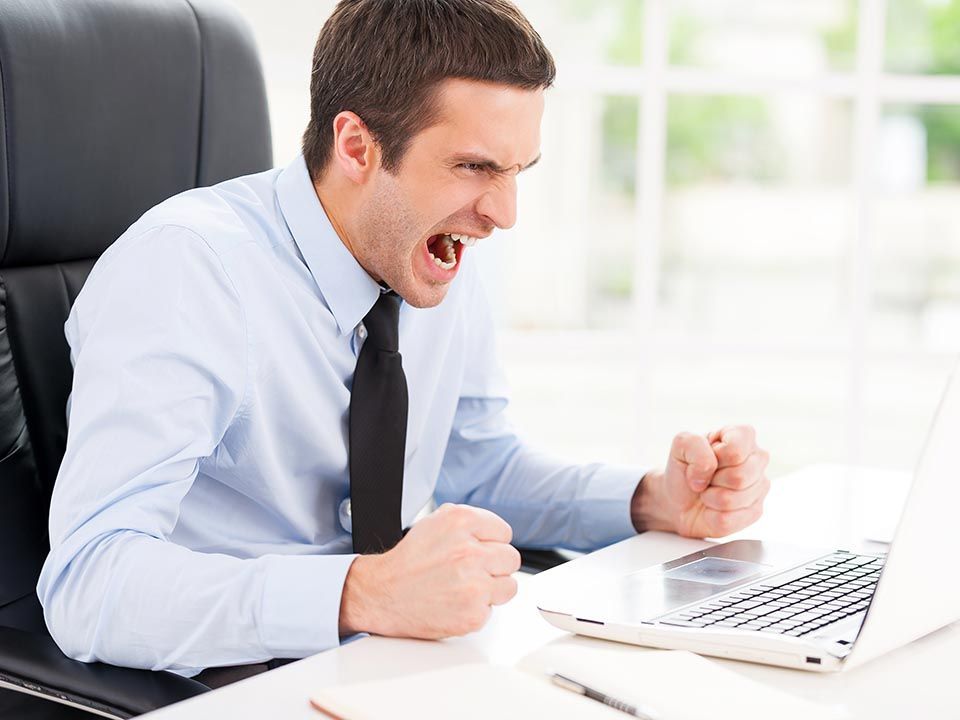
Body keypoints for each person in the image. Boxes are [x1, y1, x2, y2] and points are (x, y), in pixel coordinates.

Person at [37, 0, 770, 685]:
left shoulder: (432, 246)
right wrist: (363, 591)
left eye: (517, 172)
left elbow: (474, 466)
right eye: (475, 167)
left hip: (395, 662)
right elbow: (89, 583)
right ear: (356, 145)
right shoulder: (187, 271)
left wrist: (650, 502)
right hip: (229, 680)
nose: (503, 214)